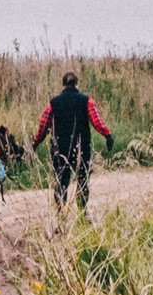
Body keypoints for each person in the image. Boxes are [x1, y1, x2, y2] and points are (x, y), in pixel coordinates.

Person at [32, 71, 113, 212]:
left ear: (63, 84)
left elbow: (44, 125)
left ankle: (60, 213)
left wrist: (35, 143)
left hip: (59, 148)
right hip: (81, 147)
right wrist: (107, 135)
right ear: (77, 83)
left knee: (61, 181)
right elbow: (96, 121)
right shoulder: (86, 101)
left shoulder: (54, 103)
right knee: (83, 180)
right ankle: (82, 212)